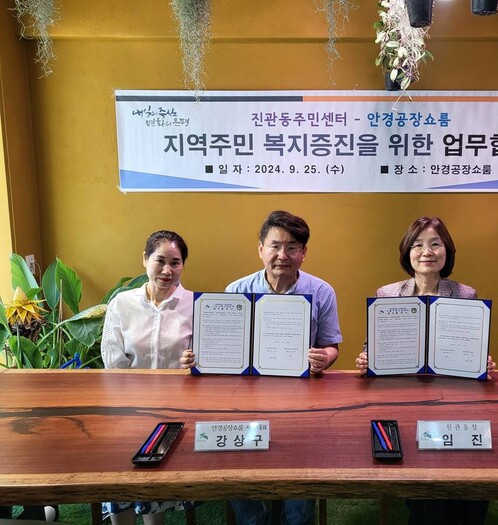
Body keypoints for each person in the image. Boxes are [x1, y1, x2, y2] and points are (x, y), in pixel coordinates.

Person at [181, 210, 342, 525]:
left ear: (304, 253)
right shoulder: (236, 290)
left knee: (298, 505)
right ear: (260, 249)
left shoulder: (322, 291)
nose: (283, 255)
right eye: (275, 246)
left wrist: (323, 358)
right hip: (245, 398)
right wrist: (198, 357)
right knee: (243, 476)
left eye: (292, 247)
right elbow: (222, 348)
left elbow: (332, 346)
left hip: (300, 399)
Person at [355, 216, 493, 525]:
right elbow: (371, 346)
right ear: (407, 252)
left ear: (447, 251)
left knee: (470, 482)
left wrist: (482, 362)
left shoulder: (466, 294)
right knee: (428, 493)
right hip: (403, 396)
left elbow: (473, 347)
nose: (426, 252)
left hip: (453, 396)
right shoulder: (388, 294)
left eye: (435, 244)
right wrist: (367, 359)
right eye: (417, 245)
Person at [101, 230, 193, 525]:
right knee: (121, 483)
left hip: (173, 410)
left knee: (155, 487)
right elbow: (113, 360)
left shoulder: (195, 305)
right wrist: (129, 405)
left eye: (175, 263)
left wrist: (195, 363)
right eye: (160, 261)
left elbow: (205, 362)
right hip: (127, 409)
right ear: (145, 259)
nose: (167, 270)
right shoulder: (121, 304)